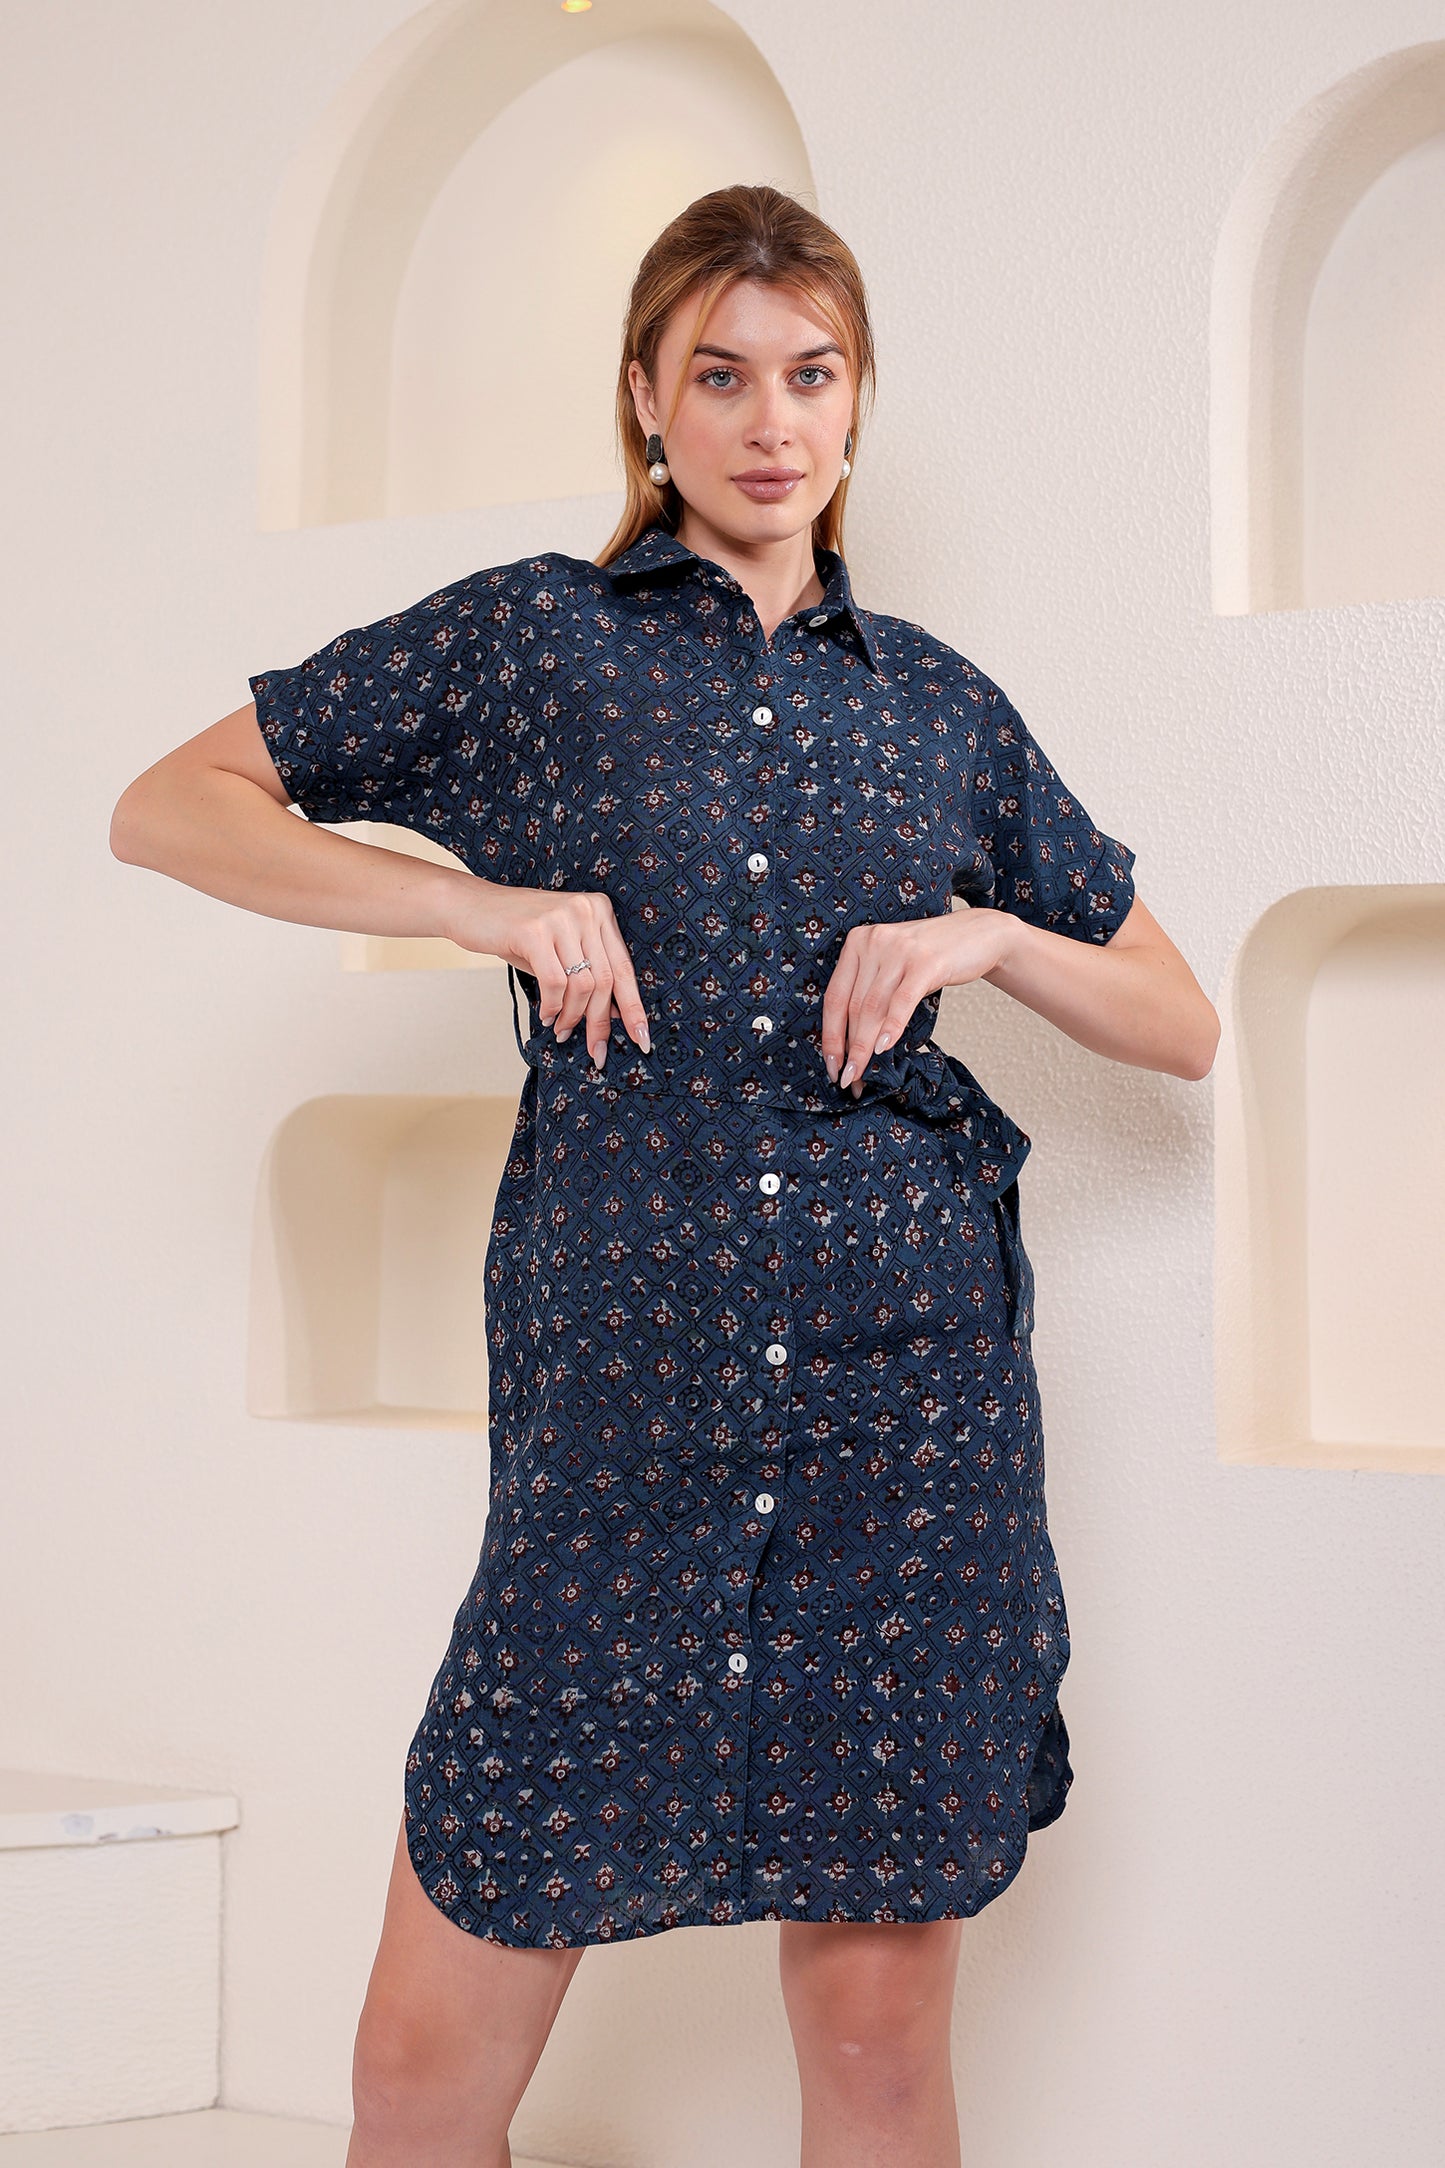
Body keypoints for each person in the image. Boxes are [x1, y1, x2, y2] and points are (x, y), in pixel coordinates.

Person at [111, 183, 1217, 2168]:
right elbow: (173, 803)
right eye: (720, 372)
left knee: (877, 2041)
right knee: (421, 2052)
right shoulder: (536, 645)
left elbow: (1178, 1013)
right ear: (648, 398)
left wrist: (990, 940)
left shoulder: (938, 708)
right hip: (625, 1419)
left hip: (909, 1427)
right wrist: (478, 905)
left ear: (859, 407)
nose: (768, 417)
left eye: (811, 373)